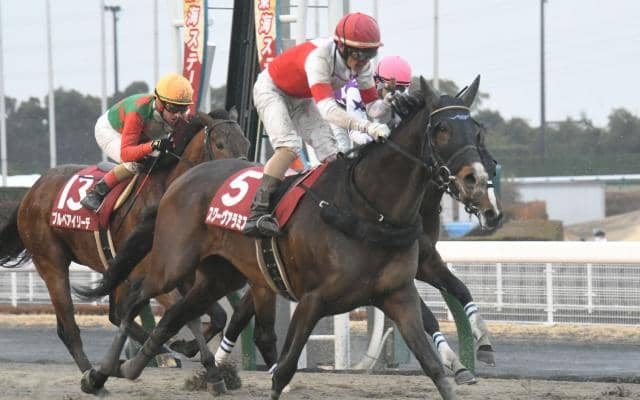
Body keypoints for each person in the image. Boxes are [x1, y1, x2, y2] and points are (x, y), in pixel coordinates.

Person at [243, 12, 391, 237]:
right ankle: (257, 212)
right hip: (271, 90)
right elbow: (328, 110)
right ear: (342, 47)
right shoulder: (319, 57)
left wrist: (390, 102)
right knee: (289, 147)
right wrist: (367, 127)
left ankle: (337, 206)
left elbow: (373, 108)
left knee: (331, 154)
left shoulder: (363, 66)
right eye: (360, 55)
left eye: (370, 54)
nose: (363, 62)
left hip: (301, 97)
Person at [80, 73, 193, 211]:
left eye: (183, 108)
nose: (177, 115)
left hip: (142, 133)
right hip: (111, 131)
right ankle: (96, 192)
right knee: (135, 163)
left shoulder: (180, 115)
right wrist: (154, 145)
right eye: (173, 108)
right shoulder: (137, 112)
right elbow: (126, 153)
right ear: (160, 103)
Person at [333, 55, 413, 151]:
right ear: (379, 82)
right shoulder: (356, 89)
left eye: (401, 89)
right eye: (391, 89)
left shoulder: (400, 90)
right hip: (336, 108)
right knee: (344, 149)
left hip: (366, 106)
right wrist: (376, 139)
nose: (396, 93)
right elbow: (355, 131)